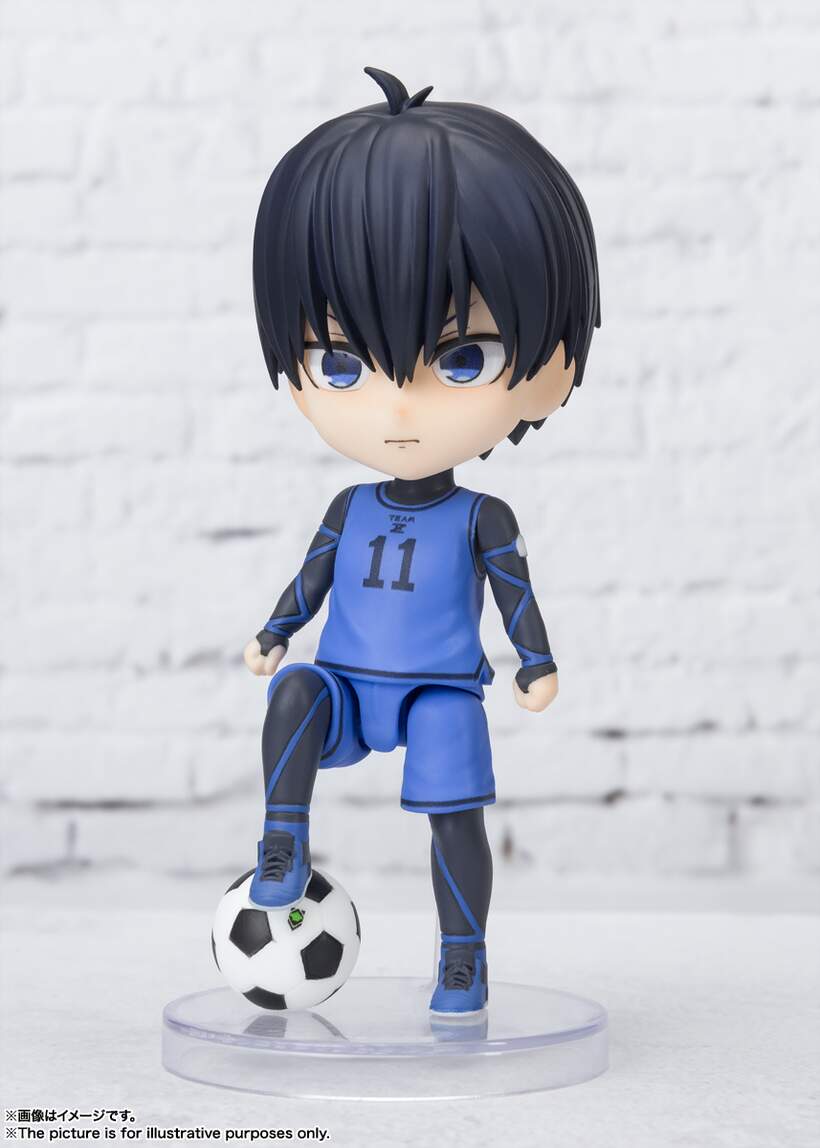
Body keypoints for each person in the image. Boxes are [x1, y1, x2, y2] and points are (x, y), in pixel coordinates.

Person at [243, 67, 600, 1015]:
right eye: (342, 362)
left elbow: (516, 595)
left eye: (460, 358)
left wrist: (535, 664)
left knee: (454, 817)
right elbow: (312, 579)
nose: (399, 406)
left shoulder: (482, 518)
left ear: (549, 372)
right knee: (292, 693)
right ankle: (283, 837)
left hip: (440, 692)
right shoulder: (349, 506)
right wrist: (276, 631)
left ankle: (462, 955)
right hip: (346, 687)